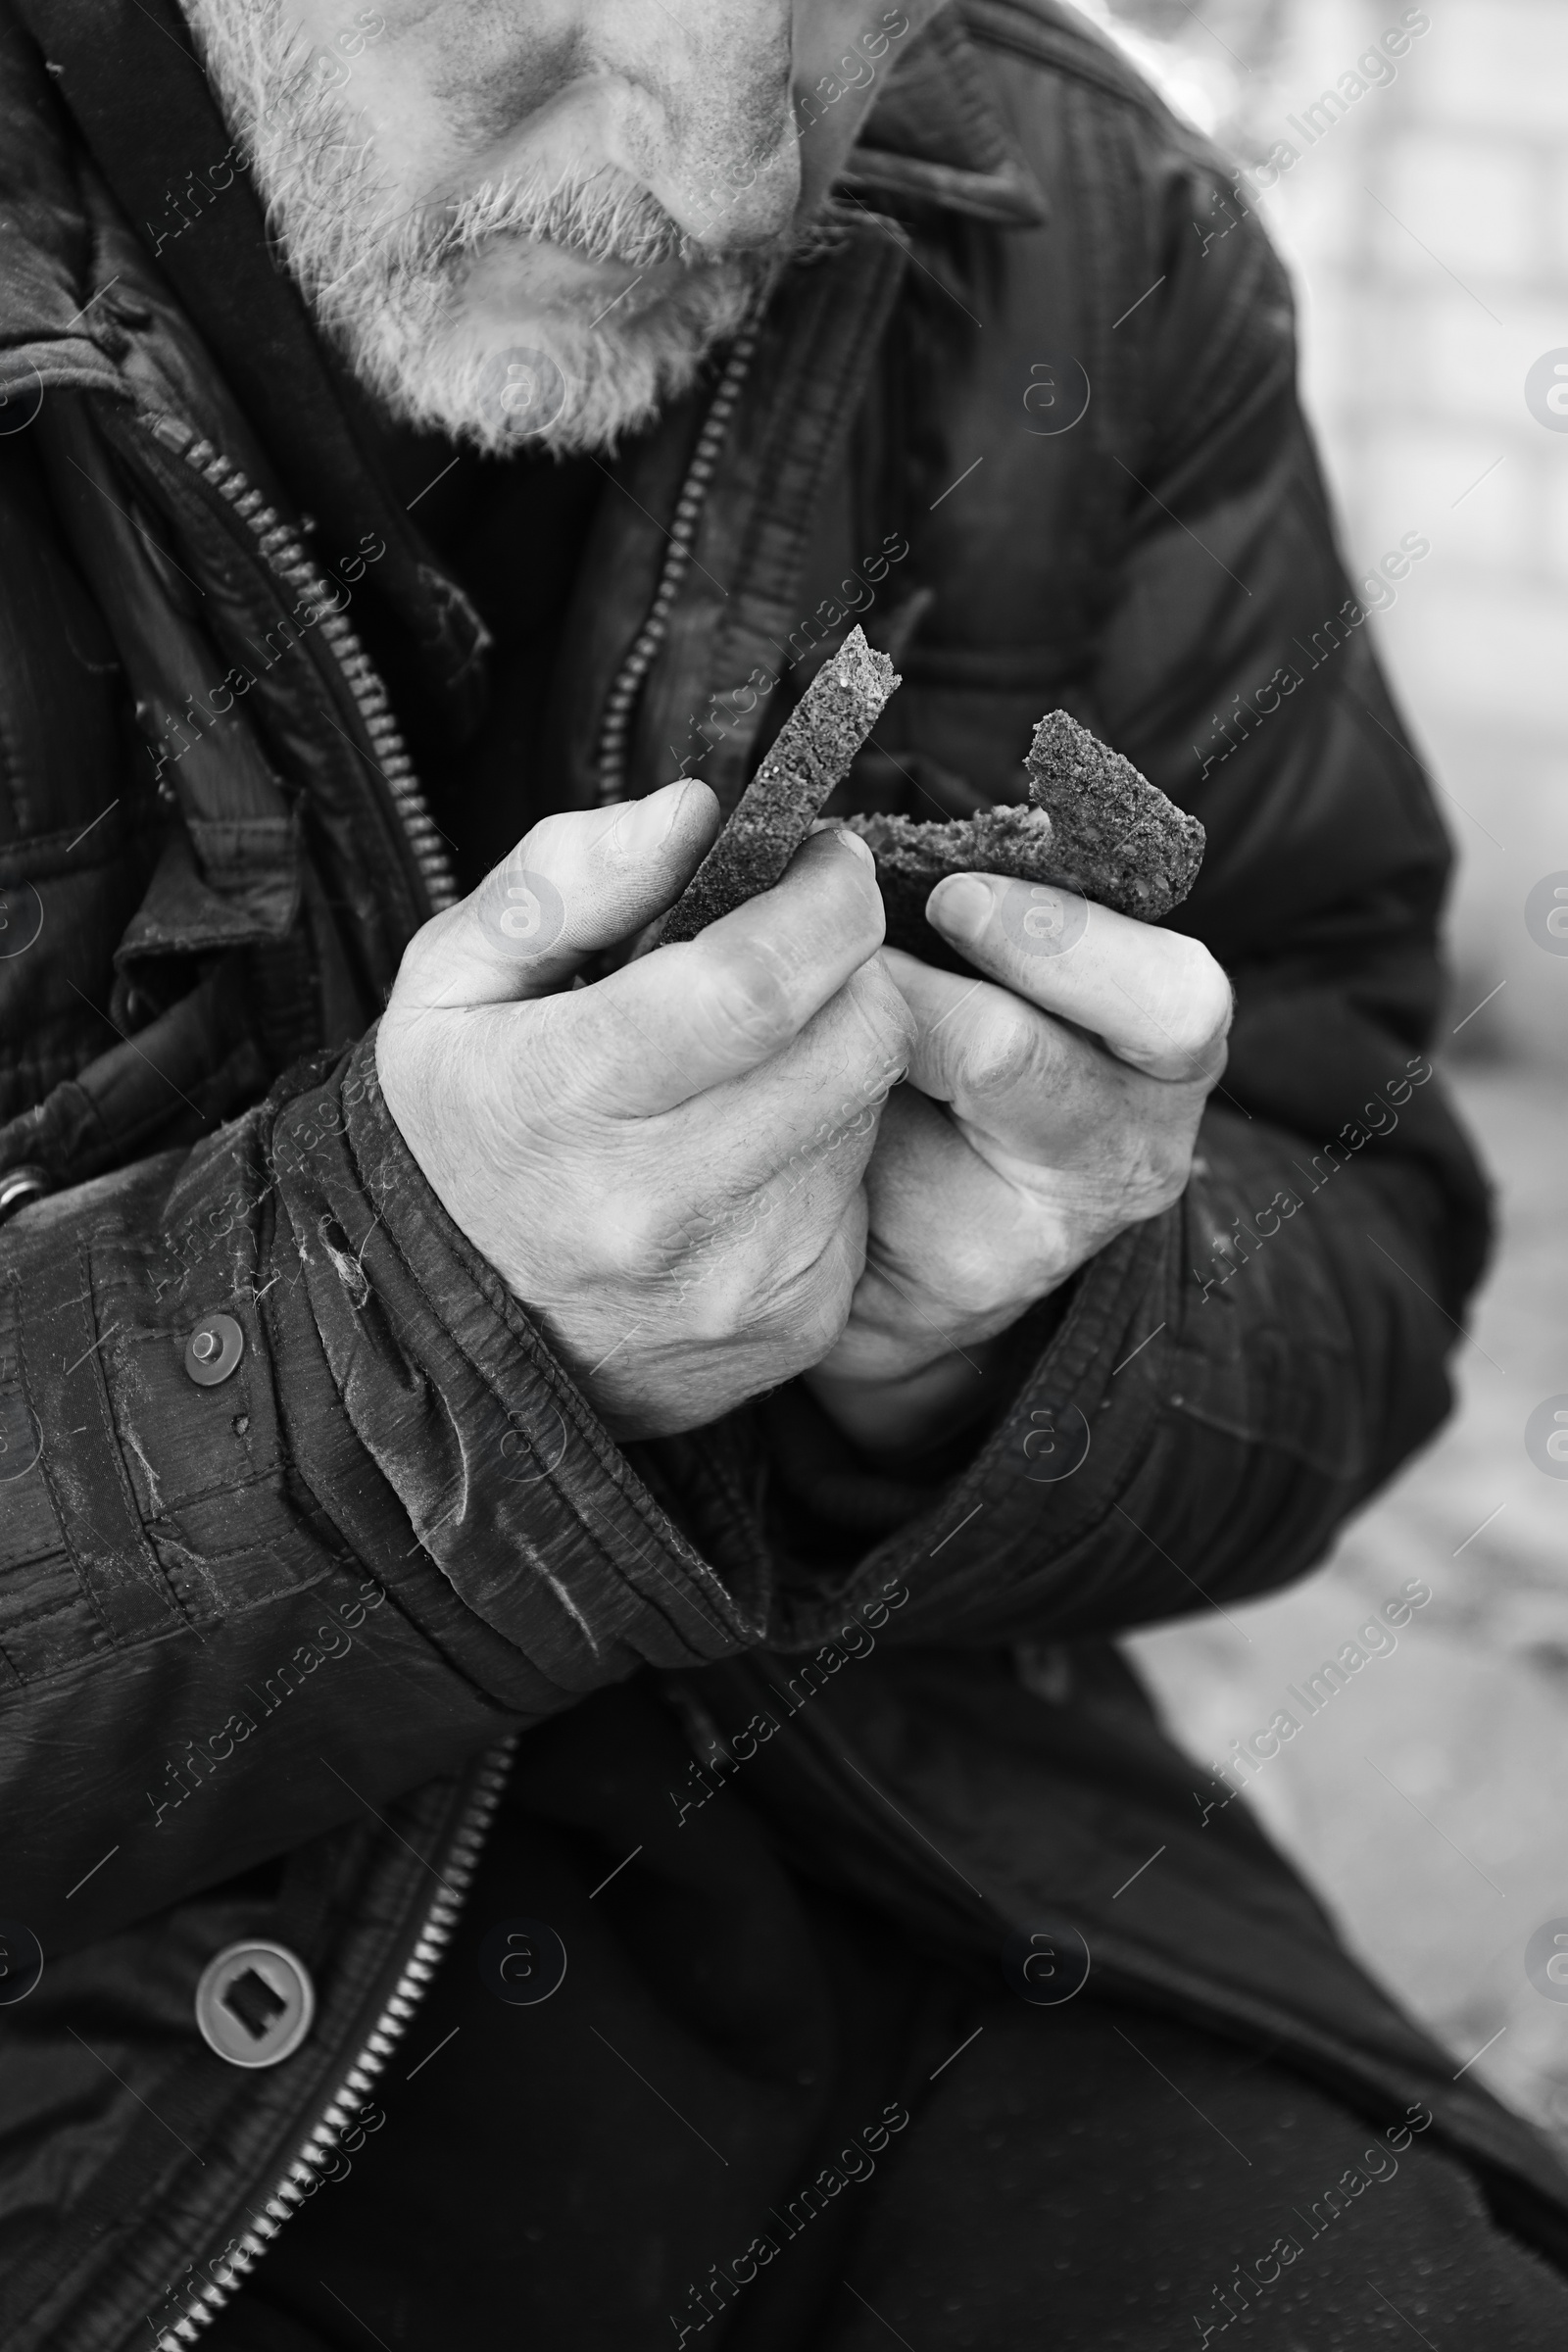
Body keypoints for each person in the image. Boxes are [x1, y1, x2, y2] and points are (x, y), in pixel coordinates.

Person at [0, 1, 1563, 2345]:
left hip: (901, 1873)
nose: (737, 173)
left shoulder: (1095, 236)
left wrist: (1003, 1343)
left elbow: (1358, 1212)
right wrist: (402, 1336)